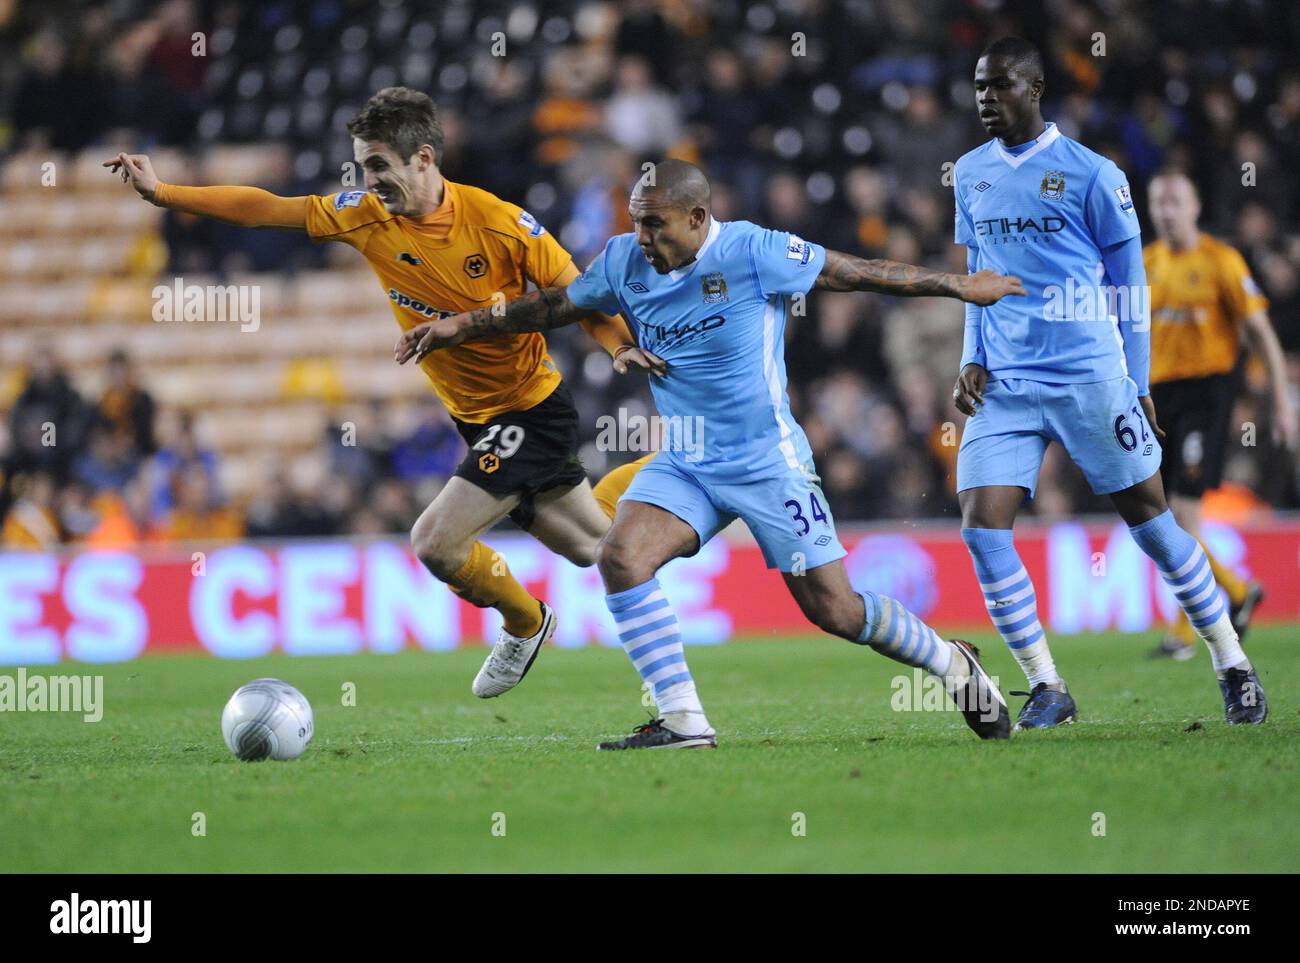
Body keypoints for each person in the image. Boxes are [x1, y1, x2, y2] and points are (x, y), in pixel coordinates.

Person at [400, 158, 1026, 748]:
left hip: (767, 462)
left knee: (836, 611)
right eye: (635, 220)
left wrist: (957, 285)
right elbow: (554, 305)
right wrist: (464, 324)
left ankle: (951, 661)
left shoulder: (753, 250)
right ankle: (683, 720)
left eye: (654, 222)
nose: (640, 235)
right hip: (688, 460)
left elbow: (853, 270)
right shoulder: (623, 261)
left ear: (697, 218)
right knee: (620, 557)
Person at [106, 86, 662, 698]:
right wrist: (164, 193)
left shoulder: (499, 222)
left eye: (378, 165)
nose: (368, 179)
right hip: (476, 419)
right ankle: (679, 469)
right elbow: (267, 208)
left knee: (435, 541)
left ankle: (525, 623)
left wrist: (615, 347)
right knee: (594, 544)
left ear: (423, 159)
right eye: (363, 165)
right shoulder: (366, 215)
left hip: (530, 409)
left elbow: (577, 294)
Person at [950, 37, 1267, 728]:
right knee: (981, 523)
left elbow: (1130, 285)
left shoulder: (1094, 175)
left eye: (998, 85)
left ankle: (1230, 660)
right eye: (978, 85)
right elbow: (976, 270)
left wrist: (1138, 378)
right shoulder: (969, 172)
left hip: (1087, 374)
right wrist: (971, 353)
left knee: (1154, 525)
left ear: (1034, 90)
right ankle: (1047, 685)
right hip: (1005, 380)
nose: (983, 97)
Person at [1143, 169, 1296, 658]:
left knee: (1184, 513)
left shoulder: (1221, 261)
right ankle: (1233, 589)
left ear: (1195, 208)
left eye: (1176, 202)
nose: (1167, 212)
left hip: (1206, 397)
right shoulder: (1144, 263)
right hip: (1156, 397)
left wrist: (1282, 402)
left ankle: (1184, 633)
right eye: (1159, 203)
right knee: (1158, 518)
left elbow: (1262, 334)